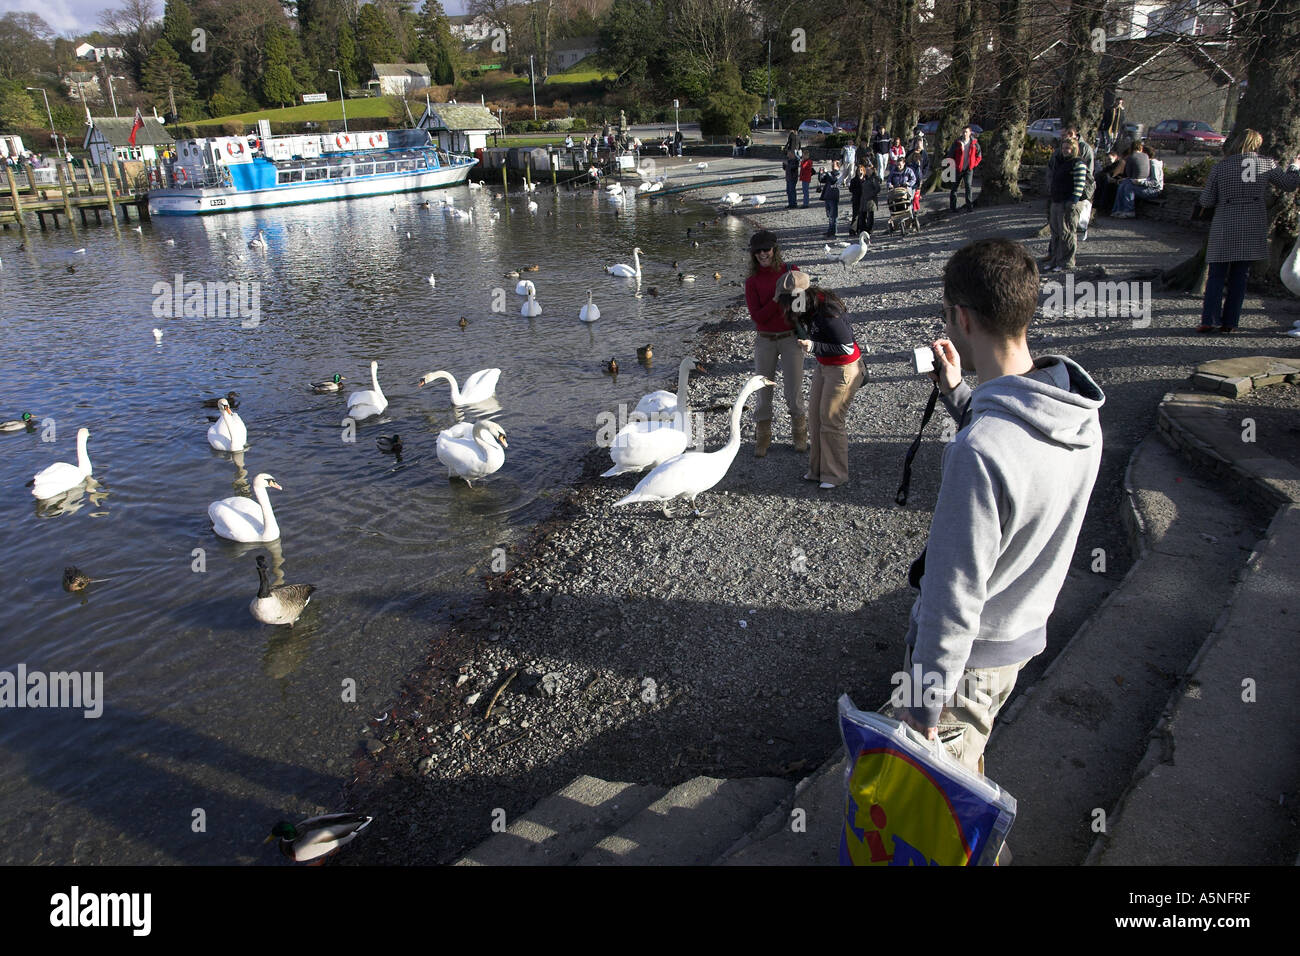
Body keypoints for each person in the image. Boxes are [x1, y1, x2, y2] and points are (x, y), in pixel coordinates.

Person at [893, 237, 1105, 775]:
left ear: (961, 318)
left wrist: (922, 702)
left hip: (966, 663)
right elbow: (1021, 454)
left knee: (940, 805)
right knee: (972, 758)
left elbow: (953, 594)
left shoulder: (978, 451)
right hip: (1018, 639)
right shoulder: (1078, 415)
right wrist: (960, 394)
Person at [1196, 129, 1300, 334]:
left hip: (1225, 222)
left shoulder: (1221, 167)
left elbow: (1206, 200)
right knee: (1240, 276)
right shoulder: (1265, 163)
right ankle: (1230, 323)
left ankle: (1209, 319)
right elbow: (1289, 185)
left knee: (1216, 275)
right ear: (1258, 144)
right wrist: (1295, 167)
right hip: (1252, 223)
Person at [775, 270, 867, 489]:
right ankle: (817, 471)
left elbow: (846, 347)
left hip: (845, 368)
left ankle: (835, 475)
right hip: (825, 365)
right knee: (816, 418)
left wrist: (813, 346)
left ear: (797, 297)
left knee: (831, 420)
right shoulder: (807, 307)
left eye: (786, 302)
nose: (784, 308)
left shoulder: (828, 312)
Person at [744, 230, 808, 457]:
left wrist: (791, 299)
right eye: (758, 251)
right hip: (765, 340)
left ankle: (800, 435)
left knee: (794, 391)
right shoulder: (752, 282)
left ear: (775, 250)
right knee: (763, 392)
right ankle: (763, 438)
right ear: (753, 254)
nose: (763, 254)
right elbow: (758, 318)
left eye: (766, 249)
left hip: (791, 338)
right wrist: (777, 297)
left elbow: (800, 310)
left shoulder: (792, 272)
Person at [1044, 139, 1087, 273]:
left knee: (1067, 233)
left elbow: (1080, 185)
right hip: (1057, 201)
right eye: (1064, 148)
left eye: (1068, 148)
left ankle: (1066, 262)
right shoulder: (1060, 162)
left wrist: (1072, 201)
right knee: (1055, 233)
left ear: (1074, 149)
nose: (1065, 150)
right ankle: (1055, 260)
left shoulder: (1078, 164)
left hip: (1068, 202)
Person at [1112, 145, 1163, 218]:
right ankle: (1118, 210)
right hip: (1145, 186)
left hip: (1154, 190)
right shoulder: (1146, 164)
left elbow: (1155, 183)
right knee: (1124, 184)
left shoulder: (1153, 164)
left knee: (1129, 188)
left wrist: (1141, 182)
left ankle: (1129, 211)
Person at [947, 125, 981, 212]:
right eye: (963, 132)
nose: (964, 133)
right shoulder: (957, 143)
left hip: (968, 169)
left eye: (966, 132)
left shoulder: (974, 143)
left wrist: (973, 164)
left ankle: (969, 206)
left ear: (970, 133)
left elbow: (979, 156)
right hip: (957, 168)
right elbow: (950, 155)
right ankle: (953, 208)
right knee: (954, 188)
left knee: (968, 187)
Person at [849, 161, 880, 236]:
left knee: (869, 216)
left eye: (867, 170)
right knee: (859, 215)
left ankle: (868, 230)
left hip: (869, 200)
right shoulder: (864, 179)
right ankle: (859, 229)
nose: (861, 172)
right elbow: (852, 189)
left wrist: (870, 194)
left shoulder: (872, 179)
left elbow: (877, 189)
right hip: (860, 199)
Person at [1094, 148, 1124, 216]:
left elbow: (1114, 174)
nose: (1108, 161)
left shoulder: (1119, 163)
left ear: (1115, 157)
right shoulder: (1112, 165)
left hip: (1116, 182)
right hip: (1110, 181)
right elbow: (1104, 172)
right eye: (1107, 159)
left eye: (1110, 159)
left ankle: (1102, 206)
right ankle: (1098, 204)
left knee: (1105, 182)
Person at [819, 159, 842, 237]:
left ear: (838, 166)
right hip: (827, 196)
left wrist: (827, 173)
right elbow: (822, 180)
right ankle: (830, 230)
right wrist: (821, 174)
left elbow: (833, 181)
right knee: (829, 215)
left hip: (833, 197)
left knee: (833, 215)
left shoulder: (839, 174)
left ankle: (834, 231)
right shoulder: (830, 174)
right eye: (832, 165)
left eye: (834, 165)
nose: (832, 167)